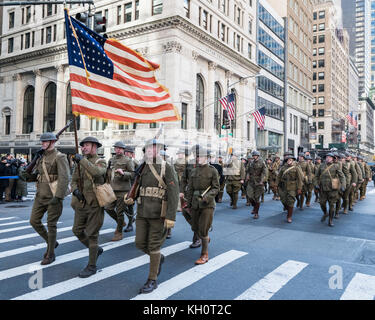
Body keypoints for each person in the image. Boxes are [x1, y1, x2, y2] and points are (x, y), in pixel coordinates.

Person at [133, 138, 179, 294]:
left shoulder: (166, 167)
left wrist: (170, 217)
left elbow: (173, 194)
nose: (149, 151)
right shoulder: (143, 167)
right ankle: (158, 258)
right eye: (147, 149)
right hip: (142, 212)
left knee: (154, 245)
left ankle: (152, 280)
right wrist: (131, 196)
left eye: (152, 148)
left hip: (158, 213)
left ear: (159, 150)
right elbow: (138, 187)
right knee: (139, 243)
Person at [22, 133, 70, 265]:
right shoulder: (41, 157)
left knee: (51, 225)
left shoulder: (60, 157)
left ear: (53, 142)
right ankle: (52, 242)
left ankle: (50, 254)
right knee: (34, 221)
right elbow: (37, 176)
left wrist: (58, 196)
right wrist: (26, 175)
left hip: (53, 196)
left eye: (45, 141)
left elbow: (65, 178)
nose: (42, 143)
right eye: (42, 141)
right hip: (40, 196)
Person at [71, 136, 107, 278]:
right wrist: (75, 190)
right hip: (81, 203)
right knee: (77, 230)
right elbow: (73, 180)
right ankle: (95, 250)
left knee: (92, 234)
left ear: (95, 147)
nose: (84, 148)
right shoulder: (80, 162)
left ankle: (92, 265)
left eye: (87, 145)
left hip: (95, 203)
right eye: (83, 145)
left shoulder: (101, 161)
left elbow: (97, 172)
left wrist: (82, 160)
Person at [186, 145, 219, 265]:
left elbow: (216, 188)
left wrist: (207, 197)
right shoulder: (194, 171)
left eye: (200, 156)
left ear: (206, 158)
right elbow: (190, 188)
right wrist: (188, 203)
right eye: (197, 156)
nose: (198, 158)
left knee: (204, 229)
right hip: (195, 202)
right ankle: (205, 239)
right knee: (195, 227)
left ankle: (204, 254)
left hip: (207, 204)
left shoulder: (212, 170)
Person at [105, 141, 134, 241]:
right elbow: (108, 173)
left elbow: (132, 174)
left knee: (120, 212)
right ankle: (120, 222)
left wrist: (123, 173)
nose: (118, 150)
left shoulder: (128, 160)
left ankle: (119, 232)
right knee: (108, 208)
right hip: (112, 189)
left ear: (123, 149)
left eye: (120, 148)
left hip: (123, 190)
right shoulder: (111, 160)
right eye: (116, 148)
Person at [314, 153, 346, 227]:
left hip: (333, 189)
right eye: (327, 157)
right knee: (322, 203)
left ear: (333, 159)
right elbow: (316, 176)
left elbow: (342, 177)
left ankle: (330, 220)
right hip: (322, 188)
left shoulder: (336, 166)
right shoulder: (321, 166)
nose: (328, 158)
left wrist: (343, 185)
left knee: (332, 205)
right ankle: (325, 213)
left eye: (330, 157)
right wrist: (316, 184)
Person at [276, 153, 303, 223]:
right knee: (283, 199)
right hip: (283, 186)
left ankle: (289, 216)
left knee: (291, 201)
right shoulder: (283, 168)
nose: (289, 161)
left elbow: (300, 178)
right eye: (287, 160)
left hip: (292, 186)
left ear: (293, 160)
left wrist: (299, 188)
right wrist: (276, 185)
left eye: (290, 160)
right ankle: (286, 207)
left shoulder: (296, 167)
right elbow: (279, 176)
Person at [246, 150, 267, 219]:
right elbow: (248, 171)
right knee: (250, 196)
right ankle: (254, 207)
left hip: (258, 182)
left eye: (255, 155)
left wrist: (262, 180)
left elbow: (264, 172)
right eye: (253, 156)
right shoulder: (250, 163)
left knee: (257, 198)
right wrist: (247, 176)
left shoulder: (262, 162)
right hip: (251, 181)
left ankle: (256, 213)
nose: (254, 157)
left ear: (258, 156)